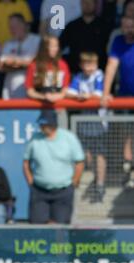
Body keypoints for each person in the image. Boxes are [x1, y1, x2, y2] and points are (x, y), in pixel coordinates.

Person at [23, 109, 85, 224]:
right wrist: (30, 181)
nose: (41, 127)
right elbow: (26, 161)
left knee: (60, 229)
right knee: (37, 228)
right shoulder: (35, 139)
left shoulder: (69, 138)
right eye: (40, 124)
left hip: (63, 190)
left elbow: (79, 161)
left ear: (52, 124)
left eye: (44, 124)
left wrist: (74, 181)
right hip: (39, 190)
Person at [66, 52, 107, 203]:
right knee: (86, 155)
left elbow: (98, 94)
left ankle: (100, 185)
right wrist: (79, 97)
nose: (89, 67)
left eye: (92, 64)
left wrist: (85, 96)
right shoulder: (78, 77)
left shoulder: (99, 75)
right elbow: (69, 93)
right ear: (81, 65)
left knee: (99, 154)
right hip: (84, 124)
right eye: (86, 64)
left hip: (99, 123)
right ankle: (91, 178)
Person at [102, 15, 134, 175]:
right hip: (125, 96)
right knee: (125, 131)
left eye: (131, 27)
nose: (128, 30)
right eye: (125, 27)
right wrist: (106, 93)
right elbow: (111, 67)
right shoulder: (119, 41)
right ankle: (128, 164)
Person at [59, 0, 112, 74]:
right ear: (80, 4)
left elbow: (111, 52)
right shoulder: (72, 26)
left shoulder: (104, 26)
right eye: (84, 2)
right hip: (75, 72)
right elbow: (59, 47)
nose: (87, 5)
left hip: (98, 72)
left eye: (90, 2)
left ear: (95, 4)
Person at [0, 13, 40, 99]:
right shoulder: (8, 43)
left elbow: (36, 63)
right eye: (10, 27)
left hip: (29, 89)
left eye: (15, 27)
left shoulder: (36, 41)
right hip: (9, 89)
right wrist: (25, 64)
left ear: (24, 25)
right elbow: (2, 67)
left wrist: (13, 62)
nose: (12, 30)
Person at [25, 36, 70, 103]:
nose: (55, 49)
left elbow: (65, 89)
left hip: (58, 106)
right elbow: (29, 90)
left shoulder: (62, 65)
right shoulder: (33, 66)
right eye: (52, 46)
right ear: (44, 48)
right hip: (38, 106)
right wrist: (43, 97)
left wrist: (56, 96)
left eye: (56, 46)